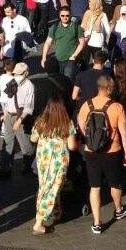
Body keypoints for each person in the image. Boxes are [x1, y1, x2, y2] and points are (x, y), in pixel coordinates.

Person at [78, 75, 126, 234]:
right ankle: (118, 209)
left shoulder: (86, 105)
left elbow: (82, 128)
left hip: (91, 152)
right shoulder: (117, 107)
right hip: (112, 151)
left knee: (94, 187)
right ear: (109, 88)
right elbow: (124, 134)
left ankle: (96, 222)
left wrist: (92, 141)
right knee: (115, 183)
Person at [31, 95, 76, 235]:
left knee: (45, 184)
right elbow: (72, 145)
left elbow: (33, 138)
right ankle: (38, 223)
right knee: (53, 187)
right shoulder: (67, 123)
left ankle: (55, 210)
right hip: (59, 161)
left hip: (43, 159)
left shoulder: (40, 122)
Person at [0, 62, 36, 178]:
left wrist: (19, 120)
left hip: (20, 117)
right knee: (7, 142)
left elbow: (28, 107)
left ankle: (29, 167)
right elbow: (7, 99)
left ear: (25, 73)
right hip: (9, 116)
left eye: (18, 74)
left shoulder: (29, 86)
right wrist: (5, 113)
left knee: (25, 145)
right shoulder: (13, 82)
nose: (16, 76)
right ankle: (5, 170)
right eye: (15, 74)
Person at [40, 6, 85, 81]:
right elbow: (48, 43)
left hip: (70, 60)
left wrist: (74, 55)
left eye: (67, 15)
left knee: (67, 80)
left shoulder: (76, 27)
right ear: (59, 15)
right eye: (62, 15)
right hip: (58, 59)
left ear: (70, 15)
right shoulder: (54, 27)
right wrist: (44, 58)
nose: (65, 17)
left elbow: (82, 43)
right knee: (58, 79)